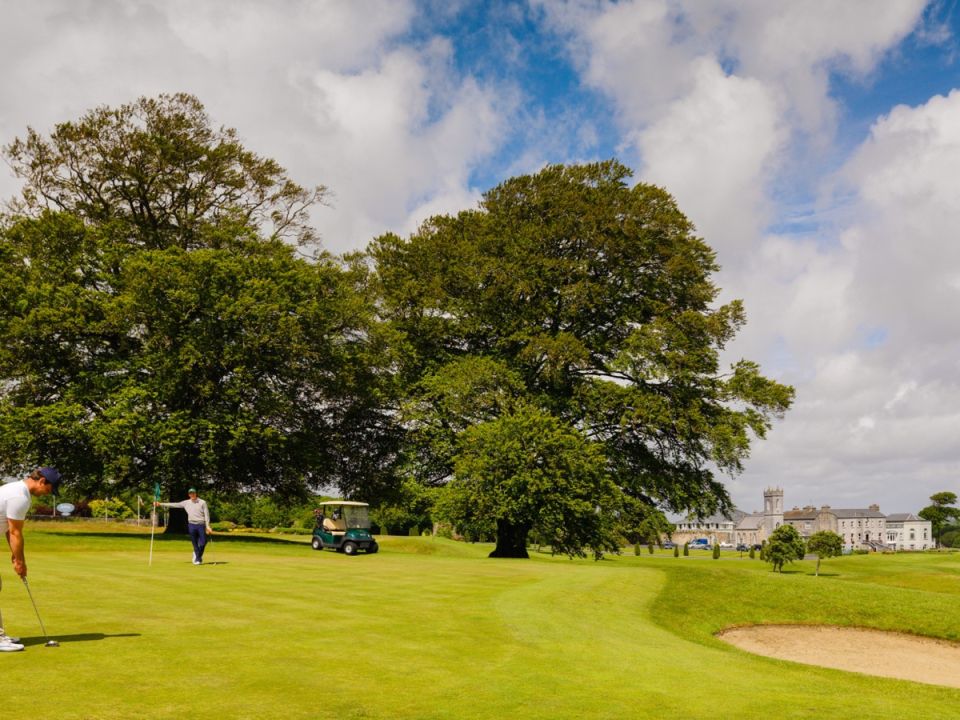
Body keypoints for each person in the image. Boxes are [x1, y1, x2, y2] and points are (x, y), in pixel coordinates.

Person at [0, 467, 62, 652]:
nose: (46, 494)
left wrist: (15, 555)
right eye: (49, 490)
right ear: (42, 481)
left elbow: (6, 528)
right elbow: (15, 532)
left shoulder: (13, 489)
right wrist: (20, 562)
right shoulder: (20, 497)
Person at [155, 488, 212, 565]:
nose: (192, 495)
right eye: (190, 494)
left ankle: (196, 554)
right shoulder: (186, 503)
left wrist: (208, 526)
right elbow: (174, 505)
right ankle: (198, 559)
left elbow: (206, 514)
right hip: (191, 524)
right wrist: (160, 504)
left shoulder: (202, 502)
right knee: (194, 543)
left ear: (196, 493)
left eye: (193, 493)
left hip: (201, 524)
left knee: (203, 541)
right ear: (189, 495)